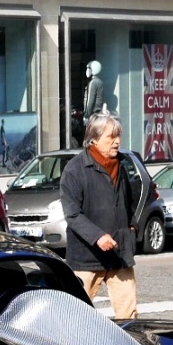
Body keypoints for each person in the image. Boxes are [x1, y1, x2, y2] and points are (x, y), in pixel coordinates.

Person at [60, 111, 139, 320]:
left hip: (120, 253)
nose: (117, 142)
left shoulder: (122, 165)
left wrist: (132, 229)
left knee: (129, 315)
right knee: (75, 314)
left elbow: (131, 202)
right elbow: (72, 214)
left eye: (118, 136)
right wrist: (97, 237)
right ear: (93, 139)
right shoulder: (74, 169)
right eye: (111, 137)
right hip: (86, 257)